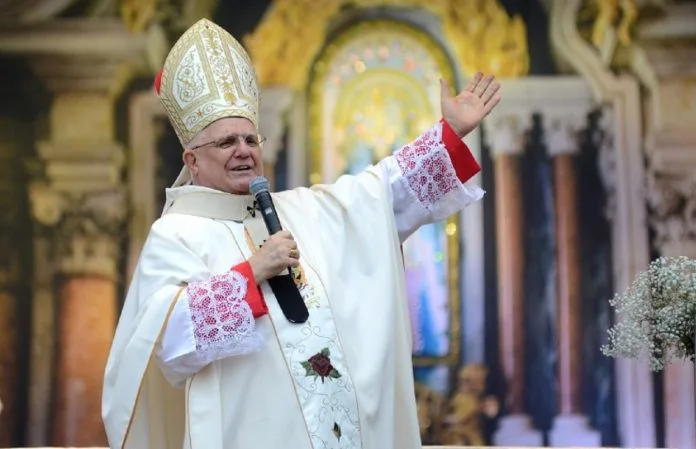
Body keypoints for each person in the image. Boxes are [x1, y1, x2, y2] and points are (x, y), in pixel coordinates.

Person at [102, 18, 501, 449]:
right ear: (192, 160)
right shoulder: (175, 234)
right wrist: (250, 273)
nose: (243, 150)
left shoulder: (303, 210)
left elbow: (383, 194)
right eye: (226, 142)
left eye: (250, 138)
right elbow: (169, 343)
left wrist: (451, 134)